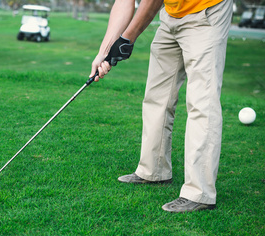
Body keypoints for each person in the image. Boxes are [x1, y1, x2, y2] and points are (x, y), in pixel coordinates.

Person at [91, 0, 233, 213]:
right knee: (157, 95)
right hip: (171, 16)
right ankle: (153, 171)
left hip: (207, 11)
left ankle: (199, 192)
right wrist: (105, 51)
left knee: (202, 102)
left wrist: (127, 38)